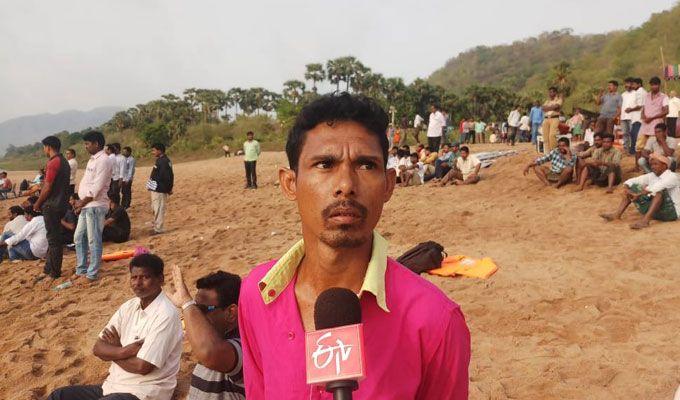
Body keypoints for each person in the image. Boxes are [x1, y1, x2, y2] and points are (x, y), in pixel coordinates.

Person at [239, 93, 470, 399]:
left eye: (365, 165)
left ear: (388, 184)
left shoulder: (436, 321)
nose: (346, 184)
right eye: (325, 164)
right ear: (290, 183)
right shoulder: (257, 294)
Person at [47, 254, 183, 400]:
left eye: (145, 277)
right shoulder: (129, 306)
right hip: (112, 387)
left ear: (160, 279)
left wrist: (114, 350)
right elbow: (98, 348)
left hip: (144, 392)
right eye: (134, 277)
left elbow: (142, 367)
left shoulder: (166, 314)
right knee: (59, 396)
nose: (138, 283)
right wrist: (124, 351)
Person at [167, 266, 245, 400]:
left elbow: (209, 352)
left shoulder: (243, 346)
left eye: (202, 309)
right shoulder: (212, 336)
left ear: (231, 313)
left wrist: (187, 303)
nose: (196, 315)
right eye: (195, 308)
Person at [73, 131, 113, 283]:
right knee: (78, 237)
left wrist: (81, 202)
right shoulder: (92, 160)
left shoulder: (104, 160)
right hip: (86, 205)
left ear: (96, 143)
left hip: (95, 205)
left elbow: (96, 187)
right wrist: (79, 202)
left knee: (93, 240)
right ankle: (81, 269)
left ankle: (92, 274)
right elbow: (87, 182)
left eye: (87, 144)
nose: (85, 146)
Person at [600, 154, 680, 229]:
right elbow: (631, 181)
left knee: (658, 193)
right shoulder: (652, 175)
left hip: (672, 213)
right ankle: (617, 214)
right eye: (651, 165)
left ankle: (645, 221)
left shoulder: (672, 176)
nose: (652, 167)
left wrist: (638, 194)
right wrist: (627, 190)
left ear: (664, 166)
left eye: (656, 164)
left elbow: (654, 189)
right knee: (633, 187)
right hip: (658, 211)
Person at [33, 135, 71, 280]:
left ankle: (54, 272)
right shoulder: (64, 162)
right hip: (61, 204)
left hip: (52, 205)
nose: (44, 150)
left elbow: (48, 187)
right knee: (52, 239)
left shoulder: (53, 162)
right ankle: (48, 269)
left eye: (44, 147)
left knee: (54, 240)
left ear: (48, 147)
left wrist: (38, 203)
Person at [637, 77, 669, 166]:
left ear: (659, 85)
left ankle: (654, 165)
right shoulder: (646, 96)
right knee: (639, 146)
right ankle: (637, 166)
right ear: (650, 85)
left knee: (654, 146)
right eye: (652, 85)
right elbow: (643, 108)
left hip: (656, 125)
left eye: (656, 85)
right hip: (645, 124)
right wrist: (643, 116)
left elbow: (666, 111)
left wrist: (652, 118)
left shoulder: (664, 96)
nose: (654, 87)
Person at [147, 143, 173, 235]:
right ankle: (156, 226)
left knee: (159, 208)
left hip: (160, 189)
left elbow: (167, 177)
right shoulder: (160, 160)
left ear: (160, 150)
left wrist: (168, 188)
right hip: (156, 188)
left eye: (154, 150)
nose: (152, 152)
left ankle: (158, 229)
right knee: (155, 208)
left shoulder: (164, 161)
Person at [621, 78, 643, 155]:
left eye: (629, 84)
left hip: (633, 117)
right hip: (623, 117)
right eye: (625, 84)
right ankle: (626, 149)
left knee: (633, 134)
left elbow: (639, 105)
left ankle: (633, 149)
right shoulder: (623, 94)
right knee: (625, 134)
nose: (627, 85)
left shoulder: (636, 93)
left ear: (632, 84)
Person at [541, 87, 563, 152]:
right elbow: (542, 108)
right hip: (546, 119)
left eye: (551, 92)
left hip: (554, 118)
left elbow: (557, 106)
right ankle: (547, 153)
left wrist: (547, 108)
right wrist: (551, 107)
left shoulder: (559, 100)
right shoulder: (547, 101)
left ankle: (554, 151)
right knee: (545, 137)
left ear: (555, 93)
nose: (550, 94)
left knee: (552, 135)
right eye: (549, 92)